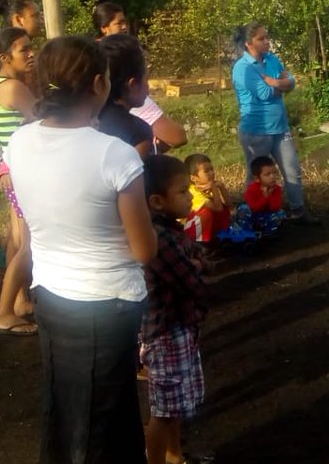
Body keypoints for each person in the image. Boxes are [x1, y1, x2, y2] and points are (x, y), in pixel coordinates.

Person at [5, 36, 156, 463]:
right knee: (99, 428)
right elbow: (145, 251)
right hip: (106, 307)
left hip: (50, 295)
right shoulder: (116, 155)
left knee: (67, 409)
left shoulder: (19, 142)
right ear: (97, 85)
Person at [139, 155, 210, 464]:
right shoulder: (161, 238)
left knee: (173, 406)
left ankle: (174, 456)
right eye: (182, 191)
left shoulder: (169, 229)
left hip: (176, 329)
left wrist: (198, 262)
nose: (189, 196)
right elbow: (192, 281)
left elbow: (200, 257)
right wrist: (198, 266)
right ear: (157, 201)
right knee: (163, 410)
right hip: (166, 333)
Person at [231, 21, 319, 225]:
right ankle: (255, 216)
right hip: (256, 131)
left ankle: (298, 210)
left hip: (280, 127)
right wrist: (281, 85)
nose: (267, 42)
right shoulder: (242, 68)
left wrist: (277, 83)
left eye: (267, 37)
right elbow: (263, 93)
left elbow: (292, 82)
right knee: (256, 177)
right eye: (261, 39)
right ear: (248, 43)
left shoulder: (271, 59)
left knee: (292, 170)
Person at [0, 27, 39, 336]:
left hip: (14, 171)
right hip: (23, 174)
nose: (32, 54)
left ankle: (18, 302)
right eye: (24, 50)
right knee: (28, 247)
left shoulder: (1, 85)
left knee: (18, 240)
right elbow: (44, 118)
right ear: (6, 57)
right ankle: (4, 312)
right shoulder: (13, 88)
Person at [95, 1, 188, 153]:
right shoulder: (138, 130)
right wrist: (152, 148)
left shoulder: (91, 117)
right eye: (119, 23)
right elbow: (178, 137)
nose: (124, 27)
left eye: (125, 22)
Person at [97, 34, 154, 157]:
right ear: (133, 85)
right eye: (146, 79)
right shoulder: (138, 133)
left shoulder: (86, 117)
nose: (148, 87)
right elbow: (132, 175)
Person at [184, 153, 231, 245]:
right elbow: (218, 208)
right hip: (187, 228)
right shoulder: (193, 192)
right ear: (193, 178)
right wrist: (214, 187)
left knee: (224, 208)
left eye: (212, 169)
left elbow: (228, 204)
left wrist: (221, 187)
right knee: (206, 212)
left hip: (200, 226)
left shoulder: (206, 186)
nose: (212, 173)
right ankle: (201, 243)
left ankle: (218, 236)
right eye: (206, 171)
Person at [235, 155, 286, 235]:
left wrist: (269, 195)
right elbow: (254, 208)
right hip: (252, 215)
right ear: (257, 178)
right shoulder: (252, 189)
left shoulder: (276, 189)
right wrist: (264, 197)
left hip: (266, 216)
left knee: (281, 213)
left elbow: (275, 207)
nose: (272, 177)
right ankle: (246, 233)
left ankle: (269, 234)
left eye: (274, 173)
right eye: (267, 174)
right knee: (243, 209)